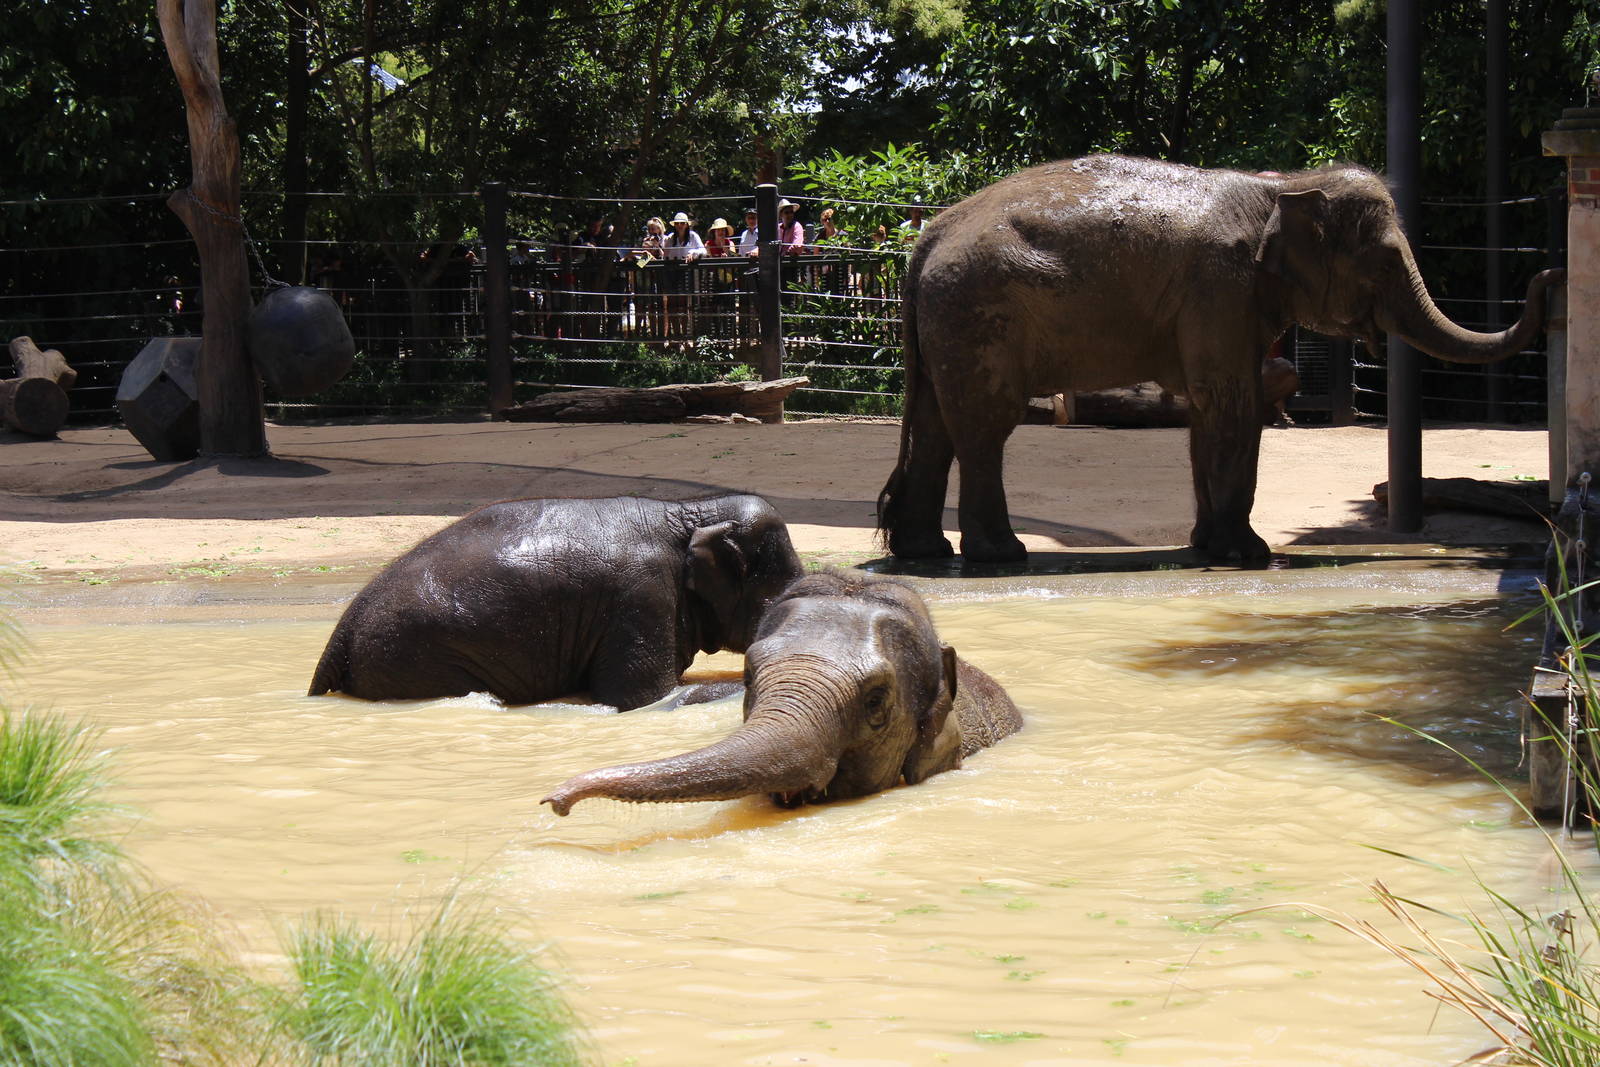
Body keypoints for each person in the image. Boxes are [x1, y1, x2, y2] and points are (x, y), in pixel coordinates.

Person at [662, 212, 703, 340]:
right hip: (670, 273)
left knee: (683, 305)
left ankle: (684, 336)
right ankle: (675, 336)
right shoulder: (669, 238)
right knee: (671, 305)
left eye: (682, 223)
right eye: (677, 223)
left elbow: (703, 250)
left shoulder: (693, 236)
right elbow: (663, 255)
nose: (679, 225)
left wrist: (693, 253)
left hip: (685, 273)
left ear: (686, 224)